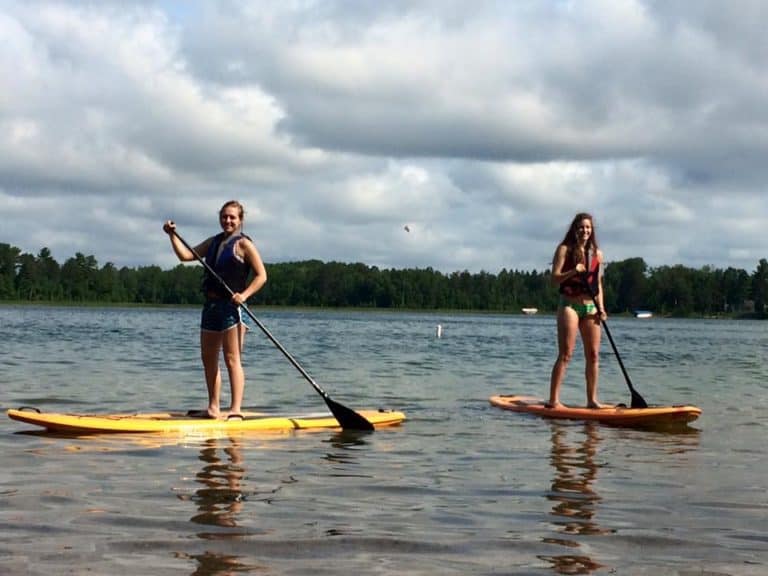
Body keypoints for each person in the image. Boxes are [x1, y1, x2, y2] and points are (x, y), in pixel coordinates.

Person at [163, 200, 267, 419]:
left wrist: (244, 295)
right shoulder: (213, 242)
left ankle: (236, 409)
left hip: (233, 307)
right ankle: (213, 407)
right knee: (208, 357)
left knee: (232, 358)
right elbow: (186, 256)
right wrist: (172, 235)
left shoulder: (244, 244)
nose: (227, 221)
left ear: (240, 220)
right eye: (224, 216)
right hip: (210, 306)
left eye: (232, 217)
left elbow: (261, 276)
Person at [548, 212, 607, 409]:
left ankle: (592, 400)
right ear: (575, 229)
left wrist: (602, 308)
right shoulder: (564, 250)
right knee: (566, 354)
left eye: (588, 227)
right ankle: (554, 401)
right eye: (581, 227)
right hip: (569, 305)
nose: (585, 230)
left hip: (590, 306)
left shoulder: (597, 254)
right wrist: (573, 271)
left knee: (593, 355)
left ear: (592, 230)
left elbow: (597, 284)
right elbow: (554, 278)